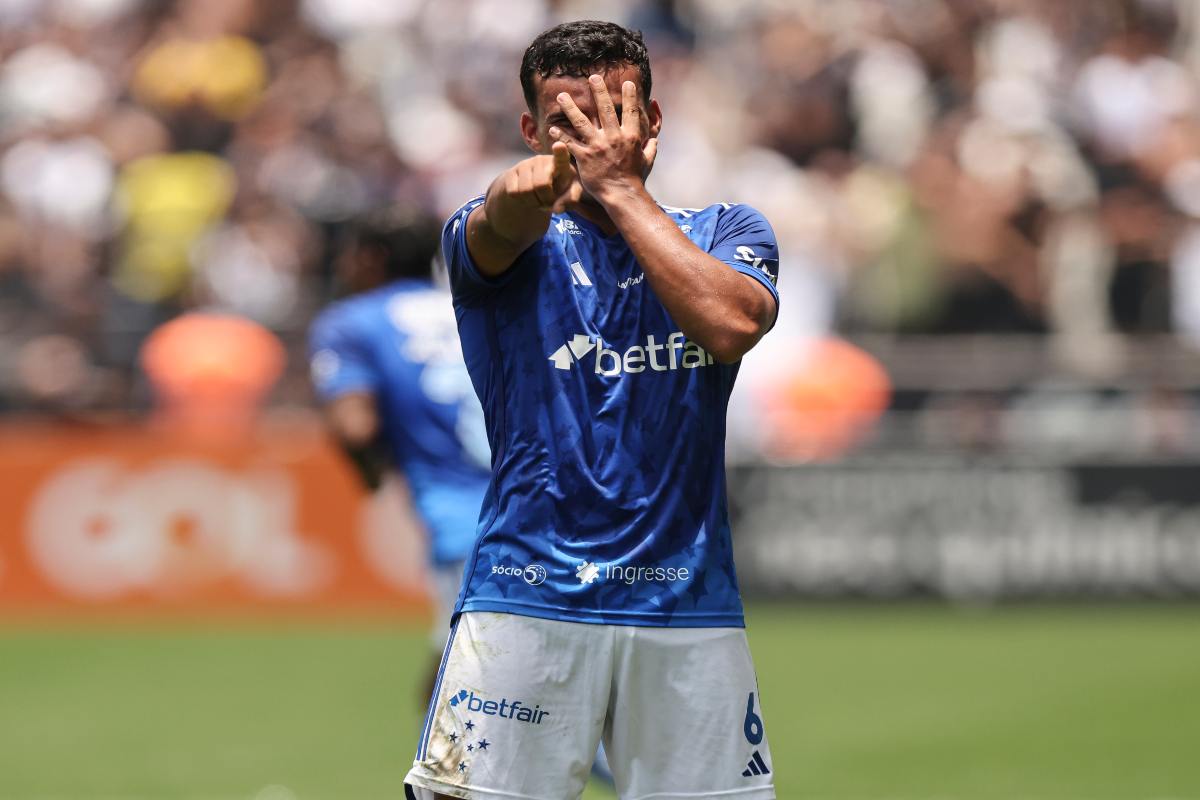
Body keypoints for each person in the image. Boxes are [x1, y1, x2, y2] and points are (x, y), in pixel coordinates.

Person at [404, 20, 780, 800]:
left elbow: (732, 325)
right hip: (526, 596)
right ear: (530, 130)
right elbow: (503, 212)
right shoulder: (505, 242)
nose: (594, 138)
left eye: (615, 114)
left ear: (654, 120)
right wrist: (567, 183)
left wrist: (619, 190)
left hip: (684, 605)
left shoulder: (727, 232)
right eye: (569, 120)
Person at [308, 208, 492, 681]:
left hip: (465, 518)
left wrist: (368, 473)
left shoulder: (352, 322)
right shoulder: (470, 307)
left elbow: (355, 425)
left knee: (467, 689)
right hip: (541, 501)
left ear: (372, 258)